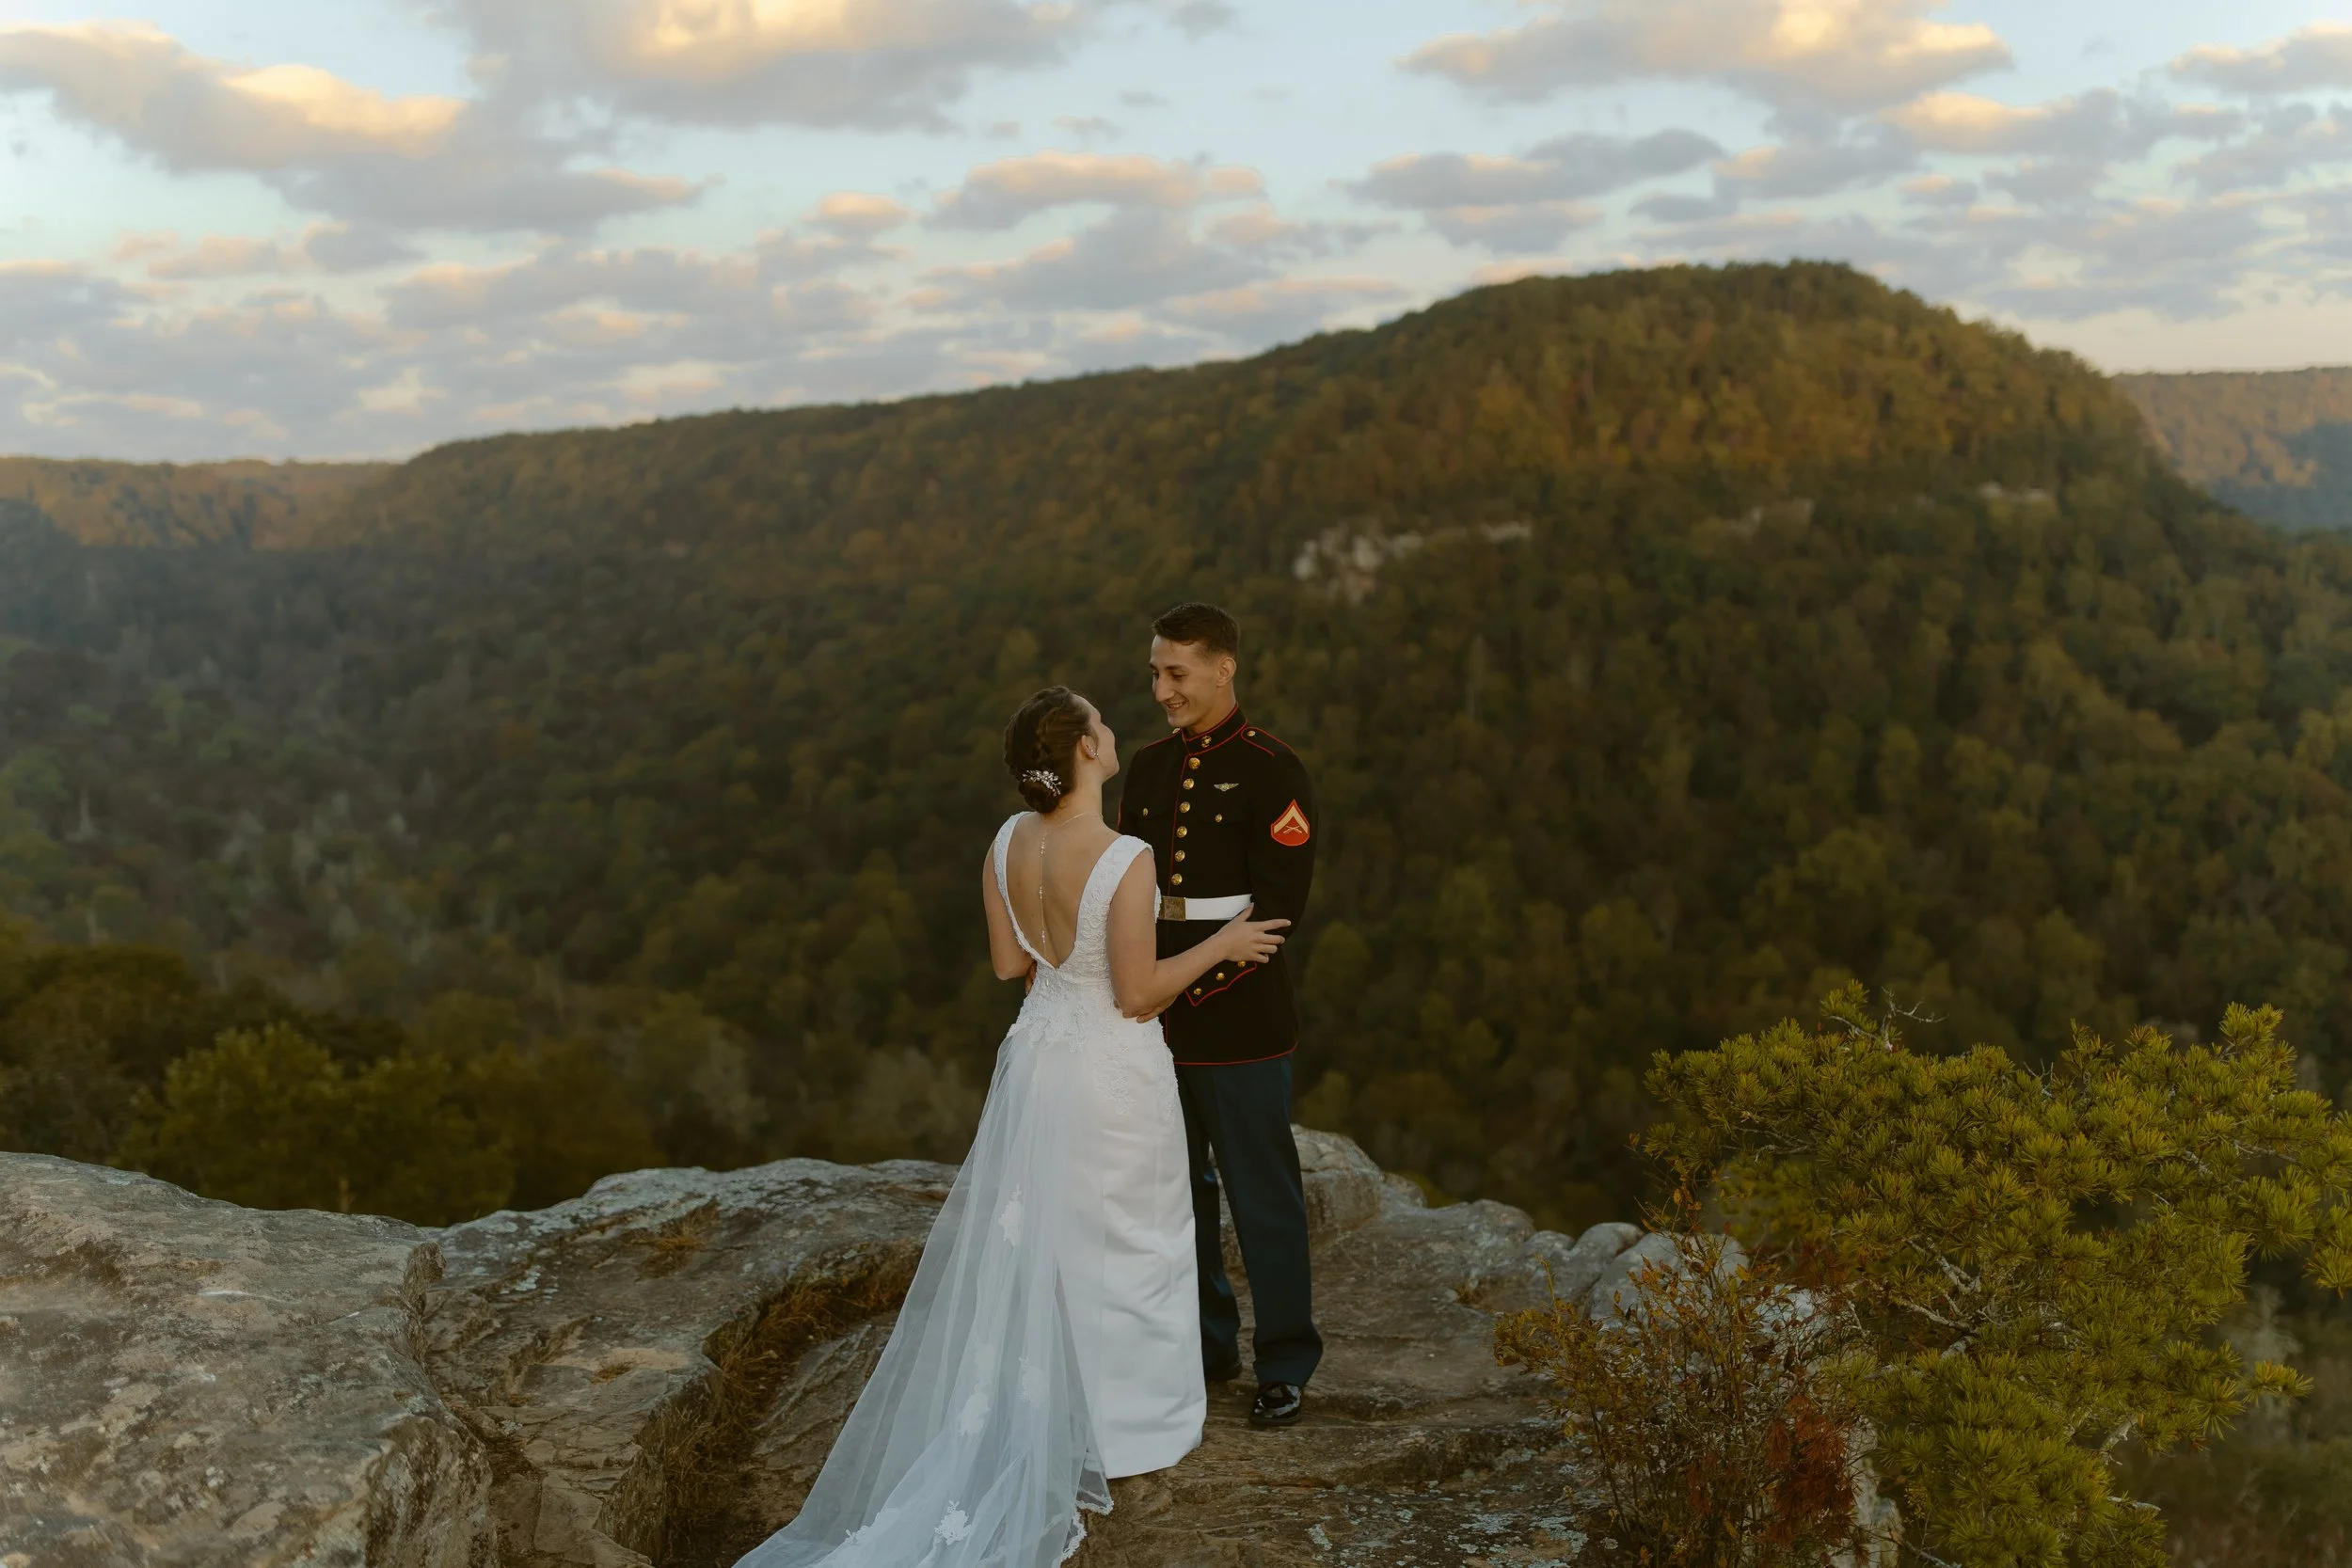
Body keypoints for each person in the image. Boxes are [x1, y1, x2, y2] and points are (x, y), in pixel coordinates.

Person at [735, 686, 1290, 1568]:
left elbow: (1009, 963)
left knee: (1056, 1241)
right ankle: (1133, 1429)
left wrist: (1060, 981)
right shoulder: (1124, 856)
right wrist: (1224, 944)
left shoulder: (1005, 839)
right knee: (1136, 1237)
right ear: (1082, 755)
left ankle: (1060, 1418)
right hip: (1111, 1068)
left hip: (1040, 1061)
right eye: (1101, 727)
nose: (1114, 733)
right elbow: (1139, 993)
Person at [1115, 603, 1322, 1430]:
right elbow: (1131, 896)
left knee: (1260, 1190)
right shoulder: (1145, 767)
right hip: (1153, 1019)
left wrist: (1184, 985)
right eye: (1155, 672)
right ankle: (1204, 1346)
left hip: (1241, 1021)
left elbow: (1278, 910)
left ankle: (1285, 1359)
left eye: (1177, 672)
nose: (1161, 688)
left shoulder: (1276, 769)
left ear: (1224, 667)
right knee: (1178, 1193)